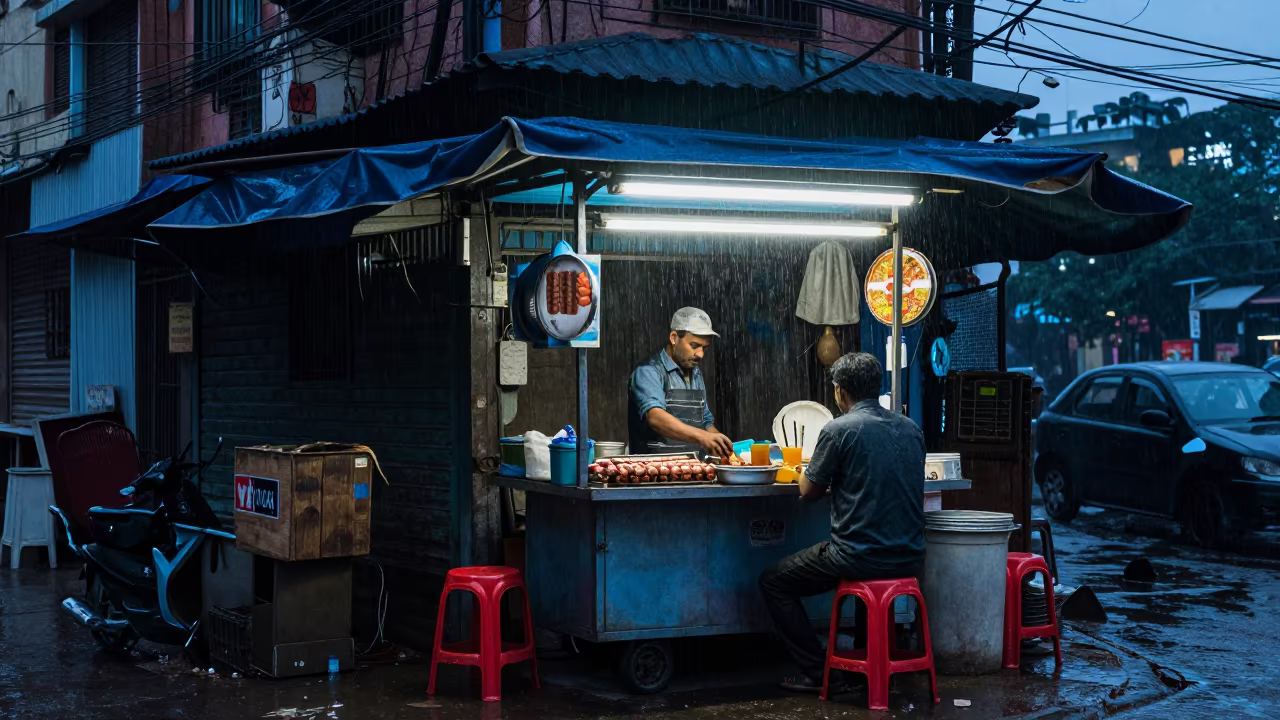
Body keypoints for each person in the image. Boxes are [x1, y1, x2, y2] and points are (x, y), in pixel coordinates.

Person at [758, 351, 926, 693]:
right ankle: (871, 668)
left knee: (773, 582)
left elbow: (808, 491)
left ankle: (822, 675)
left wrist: (810, 471)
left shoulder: (838, 430)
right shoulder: (911, 429)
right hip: (910, 556)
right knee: (866, 570)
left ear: (839, 392)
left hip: (858, 557)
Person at [628, 307, 735, 460]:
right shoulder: (648, 372)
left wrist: (726, 449)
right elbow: (656, 418)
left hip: (692, 470)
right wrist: (702, 437)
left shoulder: (696, 374)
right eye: (694, 345)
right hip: (652, 473)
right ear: (674, 338)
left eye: (704, 348)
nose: (700, 354)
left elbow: (704, 421)